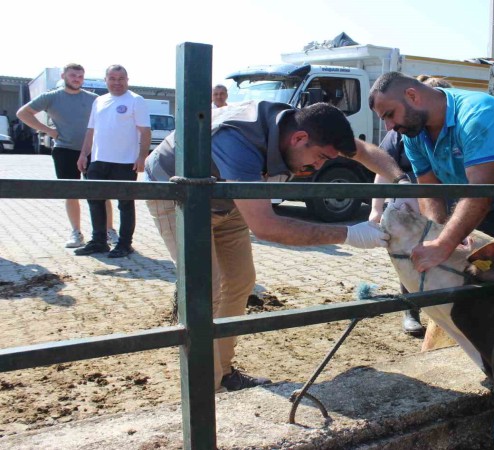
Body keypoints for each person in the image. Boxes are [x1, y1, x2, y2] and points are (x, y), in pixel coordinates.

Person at [144, 101, 405, 392]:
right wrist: (347, 234)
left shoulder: (307, 126)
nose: (319, 166)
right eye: (319, 157)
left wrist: (402, 184)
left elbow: (366, 151)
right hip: (177, 195)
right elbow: (266, 226)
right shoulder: (237, 140)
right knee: (206, 290)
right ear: (299, 139)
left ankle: (223, 372)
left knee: (240, 281)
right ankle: (205, 390)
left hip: (225, 195)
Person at [368, 72, 494, 276]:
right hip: (487, 200)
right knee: (478, 261)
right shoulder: (413, 135)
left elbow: (480, 193)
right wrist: (436, 234)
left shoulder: (477, 114)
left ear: (412, 95)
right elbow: (429, 190)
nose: (389, 127)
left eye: (389, 114)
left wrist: (444, 245)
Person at [369, 75, 453, 337]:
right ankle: (411, 310)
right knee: (412, 256)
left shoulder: (452, 130)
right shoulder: (402, 132)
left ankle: (446, 310)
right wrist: (376, 208)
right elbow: (382, 168)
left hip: (449, 199)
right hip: (410, 204)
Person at [16, 63, 116, 248]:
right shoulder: (51, 97)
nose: (76, 79)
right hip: (64, 151)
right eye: (72, 75)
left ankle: (109, 231)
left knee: (102, 192)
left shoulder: (94, 99)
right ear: (64, 76)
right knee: (71, 192)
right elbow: (23, 113)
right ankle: (76, 233)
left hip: (93, 152)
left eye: (80, 76)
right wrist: (48, 131)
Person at [75, 65, 151, 258]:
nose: (117, 82)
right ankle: (99, 241)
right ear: (106, 80)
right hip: (98, 161)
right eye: (112, 78)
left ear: (127, 80)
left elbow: (145, 131)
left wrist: (142, 156)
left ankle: (125, 244)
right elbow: (91, 130)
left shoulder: (135, 100)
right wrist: (84, 154)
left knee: (125, 203)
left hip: (125, 162)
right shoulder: (99, 101)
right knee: (95, 201)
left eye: (121, 78)